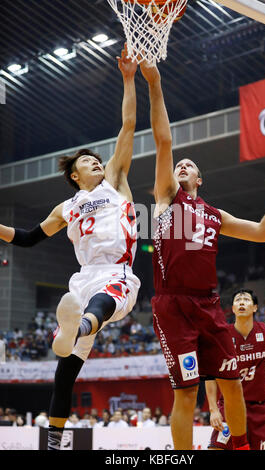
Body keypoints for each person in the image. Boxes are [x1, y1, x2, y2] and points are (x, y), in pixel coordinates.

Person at [139, 61, 265, 451]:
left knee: (233, 383)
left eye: (189, 166)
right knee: (187, 395)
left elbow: (264, 232)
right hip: (173, 304)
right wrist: (155, 84)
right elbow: (163, 141)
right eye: (179, 165)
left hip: (208, 304)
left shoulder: (214, 214)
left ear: (200, 180)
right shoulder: (165, 197)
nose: (181, 165)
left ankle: (239, 446)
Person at [0, 44, 140, 450]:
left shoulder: (115, 180)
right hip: (81, 282)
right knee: (66, 373)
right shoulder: (66, 207)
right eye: (89, 162)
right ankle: (55, 441)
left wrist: (129, 79)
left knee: (99, 304)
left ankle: (74, 327)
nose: (97, 162)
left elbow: (128, 126)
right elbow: (27, 238)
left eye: (98, 159)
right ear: (75, 175)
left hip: (117, 273)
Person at [206, 289, 265, 450]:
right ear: (233, 308)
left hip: (261, 408)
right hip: (230, 406)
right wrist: (213, 409)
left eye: (246, 300)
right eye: (238, 300)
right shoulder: (222, 336)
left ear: (255, 307)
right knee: (216, 448)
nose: (242, 302)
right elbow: (211, 374)